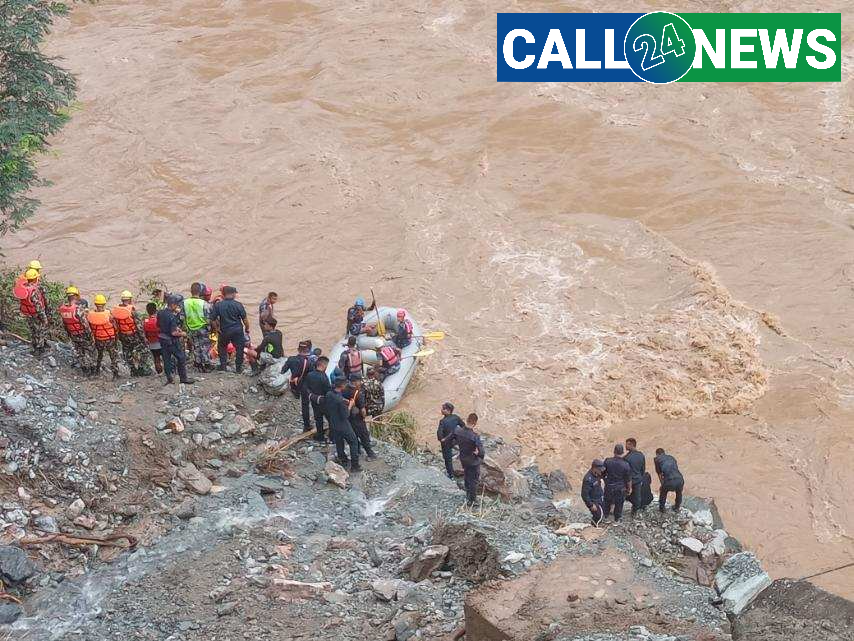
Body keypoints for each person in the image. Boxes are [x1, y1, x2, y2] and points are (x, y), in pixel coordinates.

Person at [323, 376, 360, 471]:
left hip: (333, 423)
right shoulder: (339, 401)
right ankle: (355, 466)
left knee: (339, 441)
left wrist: (344, 401)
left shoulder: (329, 394)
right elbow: (346, 415)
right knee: (353, 441)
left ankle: (342, 459)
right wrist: (350, 405)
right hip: (342, 424)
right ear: (343, 385)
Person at [210, 285, 249, 373]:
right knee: (239, 348)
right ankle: (238, 368)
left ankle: (223, 366)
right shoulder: (238, 305)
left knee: (222, 347)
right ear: (233, 294)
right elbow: (245, 320)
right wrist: (247, 328)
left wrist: (217, 328)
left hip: (224, 330)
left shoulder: (219, 305)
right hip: (237, 330)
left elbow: (212, 319)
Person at [157, 295, 194, 385]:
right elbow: (173, 333)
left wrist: (174, 329)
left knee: (166, 360)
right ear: (173, 305)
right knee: (181, 358)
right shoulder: (172, 316)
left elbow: (158, 325)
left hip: (162, 339)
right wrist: (183, 334)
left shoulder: (160, 313)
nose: (177, 307)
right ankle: (183, 378)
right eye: (176, 305)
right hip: (171, 341)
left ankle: (169, 379)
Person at [112, 291, 151, 376]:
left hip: (123, 336)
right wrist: (144, 339)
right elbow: (139, 327)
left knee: (127, 353)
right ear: (130, 299)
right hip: (133, 335)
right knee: (145, 350)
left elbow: (115, 325)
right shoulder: (132, 311)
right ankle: (141, 368)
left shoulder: (115, 311)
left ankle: (133, 370)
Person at [58, 286, 96, 375]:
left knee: (80, 352)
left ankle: (84, 370)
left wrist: (70, 335)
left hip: (73, 334)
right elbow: (85, 325)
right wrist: (91, 337)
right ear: (76, 295)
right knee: (90, 351)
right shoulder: (78, 310)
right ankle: (92, 371)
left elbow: (65, 324)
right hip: (82, 334)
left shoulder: (63, 309)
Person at [451, 413, 485, 506]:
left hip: (463, 458)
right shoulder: (474, 436)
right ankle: (472, 500)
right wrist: (478, 455)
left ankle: (467, 494)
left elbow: (452, 441)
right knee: (473, 480)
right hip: (473, 461)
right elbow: (482, 452)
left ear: (466, 420)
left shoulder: (458, 431)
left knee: (466, 476)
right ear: (475, 423)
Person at [344, 373, 377, 460]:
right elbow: (362, 410)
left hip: (348, 418)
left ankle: (358, 450)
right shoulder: (357, 393)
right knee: (364, 436)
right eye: (359, 381)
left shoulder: (344, 389)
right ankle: (371, 454)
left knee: (354, 435)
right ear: (355, 382)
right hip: (357, 418)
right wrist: (364, 417)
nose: (360, 382)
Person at [87, 294, 120, 380]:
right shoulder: (109, 315)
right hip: (109, 339)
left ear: (95, 304)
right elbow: (115, 328)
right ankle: (115, 374)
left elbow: (89, 328)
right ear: (104, 304)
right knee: (113, 356)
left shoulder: (90, 315)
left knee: (99, 355)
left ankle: (97, 371)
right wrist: (116, 338)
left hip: (98, 339)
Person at [17, 268, 48, 356]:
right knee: (39, 331)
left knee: (33, 330)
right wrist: (44, 318)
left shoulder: (23, 289)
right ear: (35, 278)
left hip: (28, 314)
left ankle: (34, 347)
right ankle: (39, 350)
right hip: (36, 314)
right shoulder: (33, 290)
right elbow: (38, 306)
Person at [184, 283, 213, 372]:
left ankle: (198, 364)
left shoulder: (185, 303)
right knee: (205, 346)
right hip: (203, 327)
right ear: (200, 292)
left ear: (191, 291)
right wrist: (212, 329)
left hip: (191, 328)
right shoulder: (205, 304)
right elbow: (209, 318)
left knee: (196, 346)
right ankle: (206, 364)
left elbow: (182, 316)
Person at [282, 340, 312, 429]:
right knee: (305, 405)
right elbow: (311, 376)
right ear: (308, 350)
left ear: (298, 349)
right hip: (305, 385)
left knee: (298, 397)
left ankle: (295, 395)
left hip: (294, 385)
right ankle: (307, 425)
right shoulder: (309, 362)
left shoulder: (291, 359)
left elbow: (283, 370)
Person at [603, 444, 632, 523]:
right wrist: (629, 489)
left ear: (614, 451)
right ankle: (617, 519)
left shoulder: (607, 461)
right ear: (622, 452)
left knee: (607, 502)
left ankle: (605, 516)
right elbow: (628, 479)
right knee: (619, 504)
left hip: (609, 486)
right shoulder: (625, 464)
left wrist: (605, 481)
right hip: (620, 488)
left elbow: (602, 473)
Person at [305, 356, 331, 442]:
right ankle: (333, 436)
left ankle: (320, 436)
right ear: (324, 366)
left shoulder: (309, 375)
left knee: (318, 419)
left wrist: (312, 396)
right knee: (330, 418)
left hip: (314, 400)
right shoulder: (324, 377)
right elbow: (328, 391)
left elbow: (307, 388)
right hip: (324, 402)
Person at [436, 402, 465, 479]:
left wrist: (441, 439)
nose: (441, 410)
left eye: (443, 409)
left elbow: (439, 432)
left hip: (446, 443)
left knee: (447, 458)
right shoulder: (456, 417)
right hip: (455, 440)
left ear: (448, 410)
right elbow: (463, 426)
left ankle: (450, 475)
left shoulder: (442, 421)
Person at [624, 438, 649, 516]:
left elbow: (625, 472)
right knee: (637, 497)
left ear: (631, 445)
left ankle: (617, 512)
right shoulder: (641, 455)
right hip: (638, 480)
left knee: (624, 495)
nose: (625, 446)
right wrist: (640, 477)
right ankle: (634, 512)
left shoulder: (627, 458)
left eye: (627, 444)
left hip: (628, 481)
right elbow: (643, 469)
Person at [654, 448, 685, 512]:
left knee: (663, 491)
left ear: (657, 454)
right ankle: (677, 507)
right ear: (664, 453)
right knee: (679, 492)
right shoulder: (671, 457)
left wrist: (662, 484)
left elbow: (659, 474)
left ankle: (662, 508)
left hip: (670, 480)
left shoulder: (657, 459)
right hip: (680, 479)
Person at [581, 459, 606, 526]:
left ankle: (597, 524)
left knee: (602, 512)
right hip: (593, 501)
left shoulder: (597, 474)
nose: (601, 471)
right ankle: (593, 527)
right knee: (598, 515)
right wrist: (590, 505)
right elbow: (584, 494)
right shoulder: (588, 479)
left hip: (599, 498)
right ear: (594, 468)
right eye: (599, 469)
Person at [143, 302, 163, 374]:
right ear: (156, 310)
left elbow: (145, 333)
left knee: (156, 358)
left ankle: (159, 372)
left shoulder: (146, 321)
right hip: (161, 342)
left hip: (152, 343)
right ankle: (167, 371)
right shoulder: (159, 320)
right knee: (165, 358)